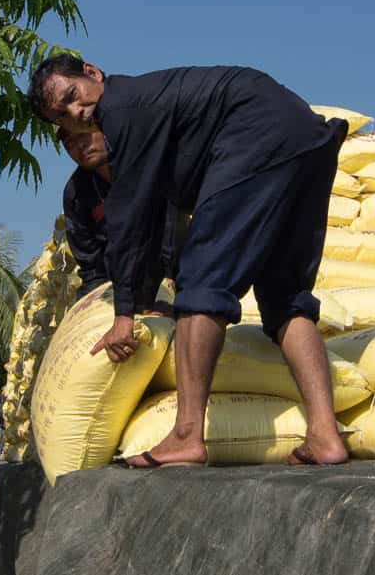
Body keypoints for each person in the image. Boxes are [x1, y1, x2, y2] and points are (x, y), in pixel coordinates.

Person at [28, 55, 349, 467]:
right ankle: (324, 435)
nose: (76, 113)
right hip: (305, 137)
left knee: (200, 282)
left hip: (255, 135)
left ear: (92, 73)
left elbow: (131, 221)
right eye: (61, 115)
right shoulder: (140, 110)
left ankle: (185, 435)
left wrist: (124, 315)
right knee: (285, 297)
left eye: (73, 95)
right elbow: (147, 222)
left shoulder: (122, 111)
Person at [58, 124, 186, 309]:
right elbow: (91, 267)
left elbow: (173, 225)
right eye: (69, 142)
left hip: (179, 273)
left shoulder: (150, 161)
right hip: (119, 287)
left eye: (84, 133)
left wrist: (169, 277)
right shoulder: (76, 194)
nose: (80, 145)